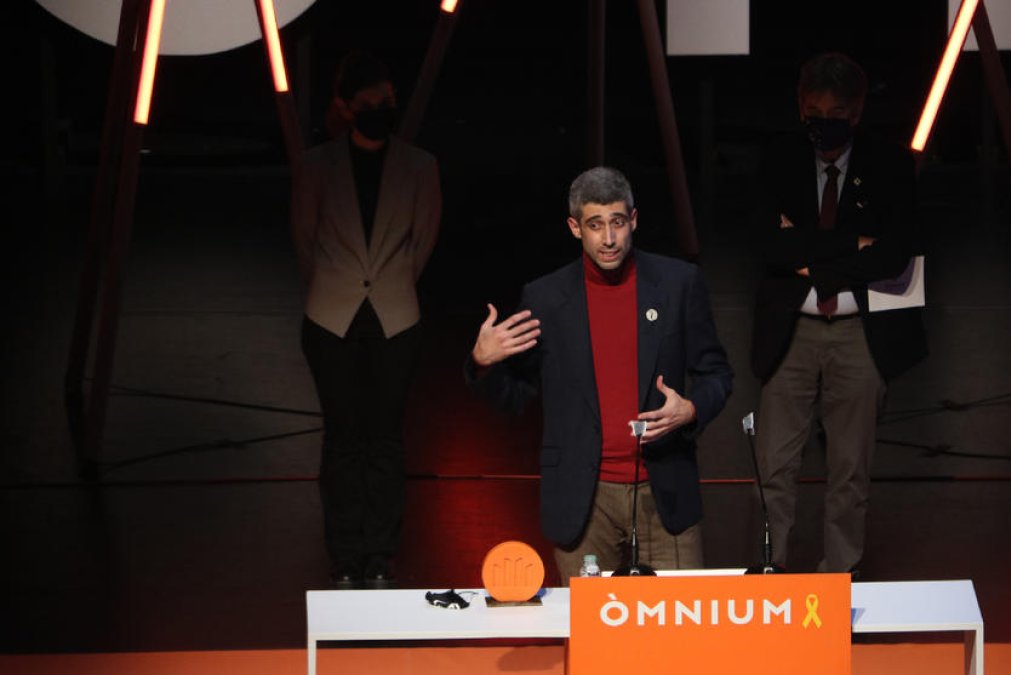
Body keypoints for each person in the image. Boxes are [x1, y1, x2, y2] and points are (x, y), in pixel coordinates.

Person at [466, 166, 733, 583]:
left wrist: (692, 408)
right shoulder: (545, 298)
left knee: (678, 623)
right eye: (595, 225)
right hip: (584, 498)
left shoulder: (678, 283)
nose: (608, 238)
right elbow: (516, 396)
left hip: (663, 489)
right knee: (591, 624)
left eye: (617, 222)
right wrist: (484, 363)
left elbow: (717, 372)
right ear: (575, 228)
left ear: (634, 220)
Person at [751, 52, 927, 576]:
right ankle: (769, 576)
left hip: (860, 336)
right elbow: (769, 246)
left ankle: (839, 579)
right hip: (791, 332)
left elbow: (894, 254)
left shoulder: (892, 165)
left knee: (850, 471)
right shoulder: (777, 159)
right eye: (814, 113)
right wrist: (854, 244)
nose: (824, 125)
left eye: (836, 115)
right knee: (772, 466)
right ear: (800, 106)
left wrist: (811, 254)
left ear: (857, 112)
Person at [291, 50, 441, 589]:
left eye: (388, 101)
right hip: (331, 319)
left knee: (385, 439)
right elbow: (305, 240)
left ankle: (380, 555)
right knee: (341, 440)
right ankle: (344, 556)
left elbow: (423, 241)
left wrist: (390, 283)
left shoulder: (420, 166)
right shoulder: (316, 166)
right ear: (347, 106)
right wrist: (340, 285)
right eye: (371, 102)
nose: (381, 110)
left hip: (396, 319)